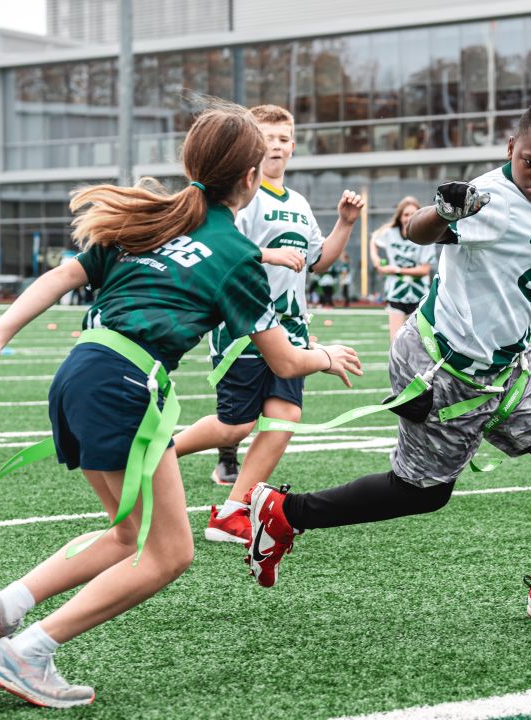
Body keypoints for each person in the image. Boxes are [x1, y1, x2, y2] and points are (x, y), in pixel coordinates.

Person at [0, 107, 362, 708]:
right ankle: (27, 651)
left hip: (79, 374)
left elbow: (63, 276)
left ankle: (0, 610)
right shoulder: (236, 254)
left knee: (126, 535)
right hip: (125, 386)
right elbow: (285, 363)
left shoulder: (151, 217)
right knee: (169, 553)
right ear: (251, 178)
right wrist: (326, 354)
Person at [243, 96, 531, 622]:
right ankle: (285, 512)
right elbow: (420, 229)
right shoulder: (488, 197)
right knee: (419, 493)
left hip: (507, 364)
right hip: (442, 365)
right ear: (511, 148)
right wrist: (448, 209)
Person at [175, 104, 366, 545]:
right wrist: (267, 254)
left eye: (284, 137)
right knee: (236, 425)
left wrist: (345, 224)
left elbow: (319, 261)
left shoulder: (297, 202)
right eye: (267, 137)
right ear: (249, 146)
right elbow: (221, 246)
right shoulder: (243, 196)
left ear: (294, 145)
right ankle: (152, 455)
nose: (276, 145)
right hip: (245, 326)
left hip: (292, 328)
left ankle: (232, 511)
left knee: (284, 416)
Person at [370, 196, 435, 341]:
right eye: (406, 214)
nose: (409, 218)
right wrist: (376, 260)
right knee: (396, 342)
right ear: (399, 217)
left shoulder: (427, 235)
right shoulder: (390, 233)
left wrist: (396, 270)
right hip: (396, 293)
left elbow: (424, 270)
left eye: (413, 214)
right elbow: (374, 238)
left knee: (420, 344)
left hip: (420, 296)